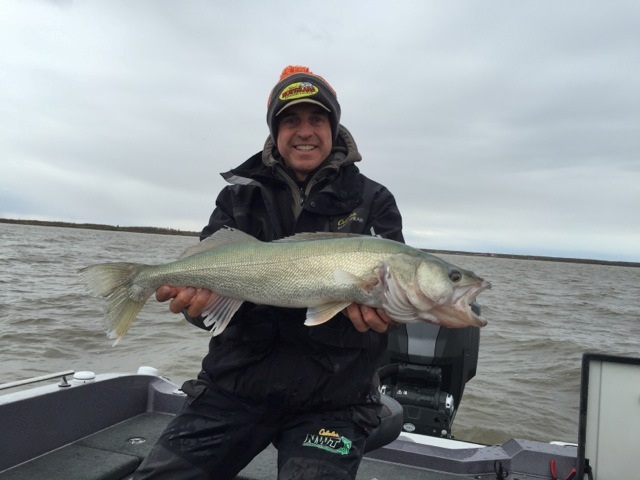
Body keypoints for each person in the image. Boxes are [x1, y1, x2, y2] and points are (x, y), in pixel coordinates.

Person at [134, 65, 404, 480]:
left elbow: (394, 295)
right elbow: (207, 311)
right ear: (275, 132)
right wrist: (195, 307)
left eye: (317, 119)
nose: (305, 131)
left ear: (334, 128)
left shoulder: (374, 200)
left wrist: (384, 317)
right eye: (291, 120)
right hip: (235, 387)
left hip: (335, 400)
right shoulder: (238, 194)